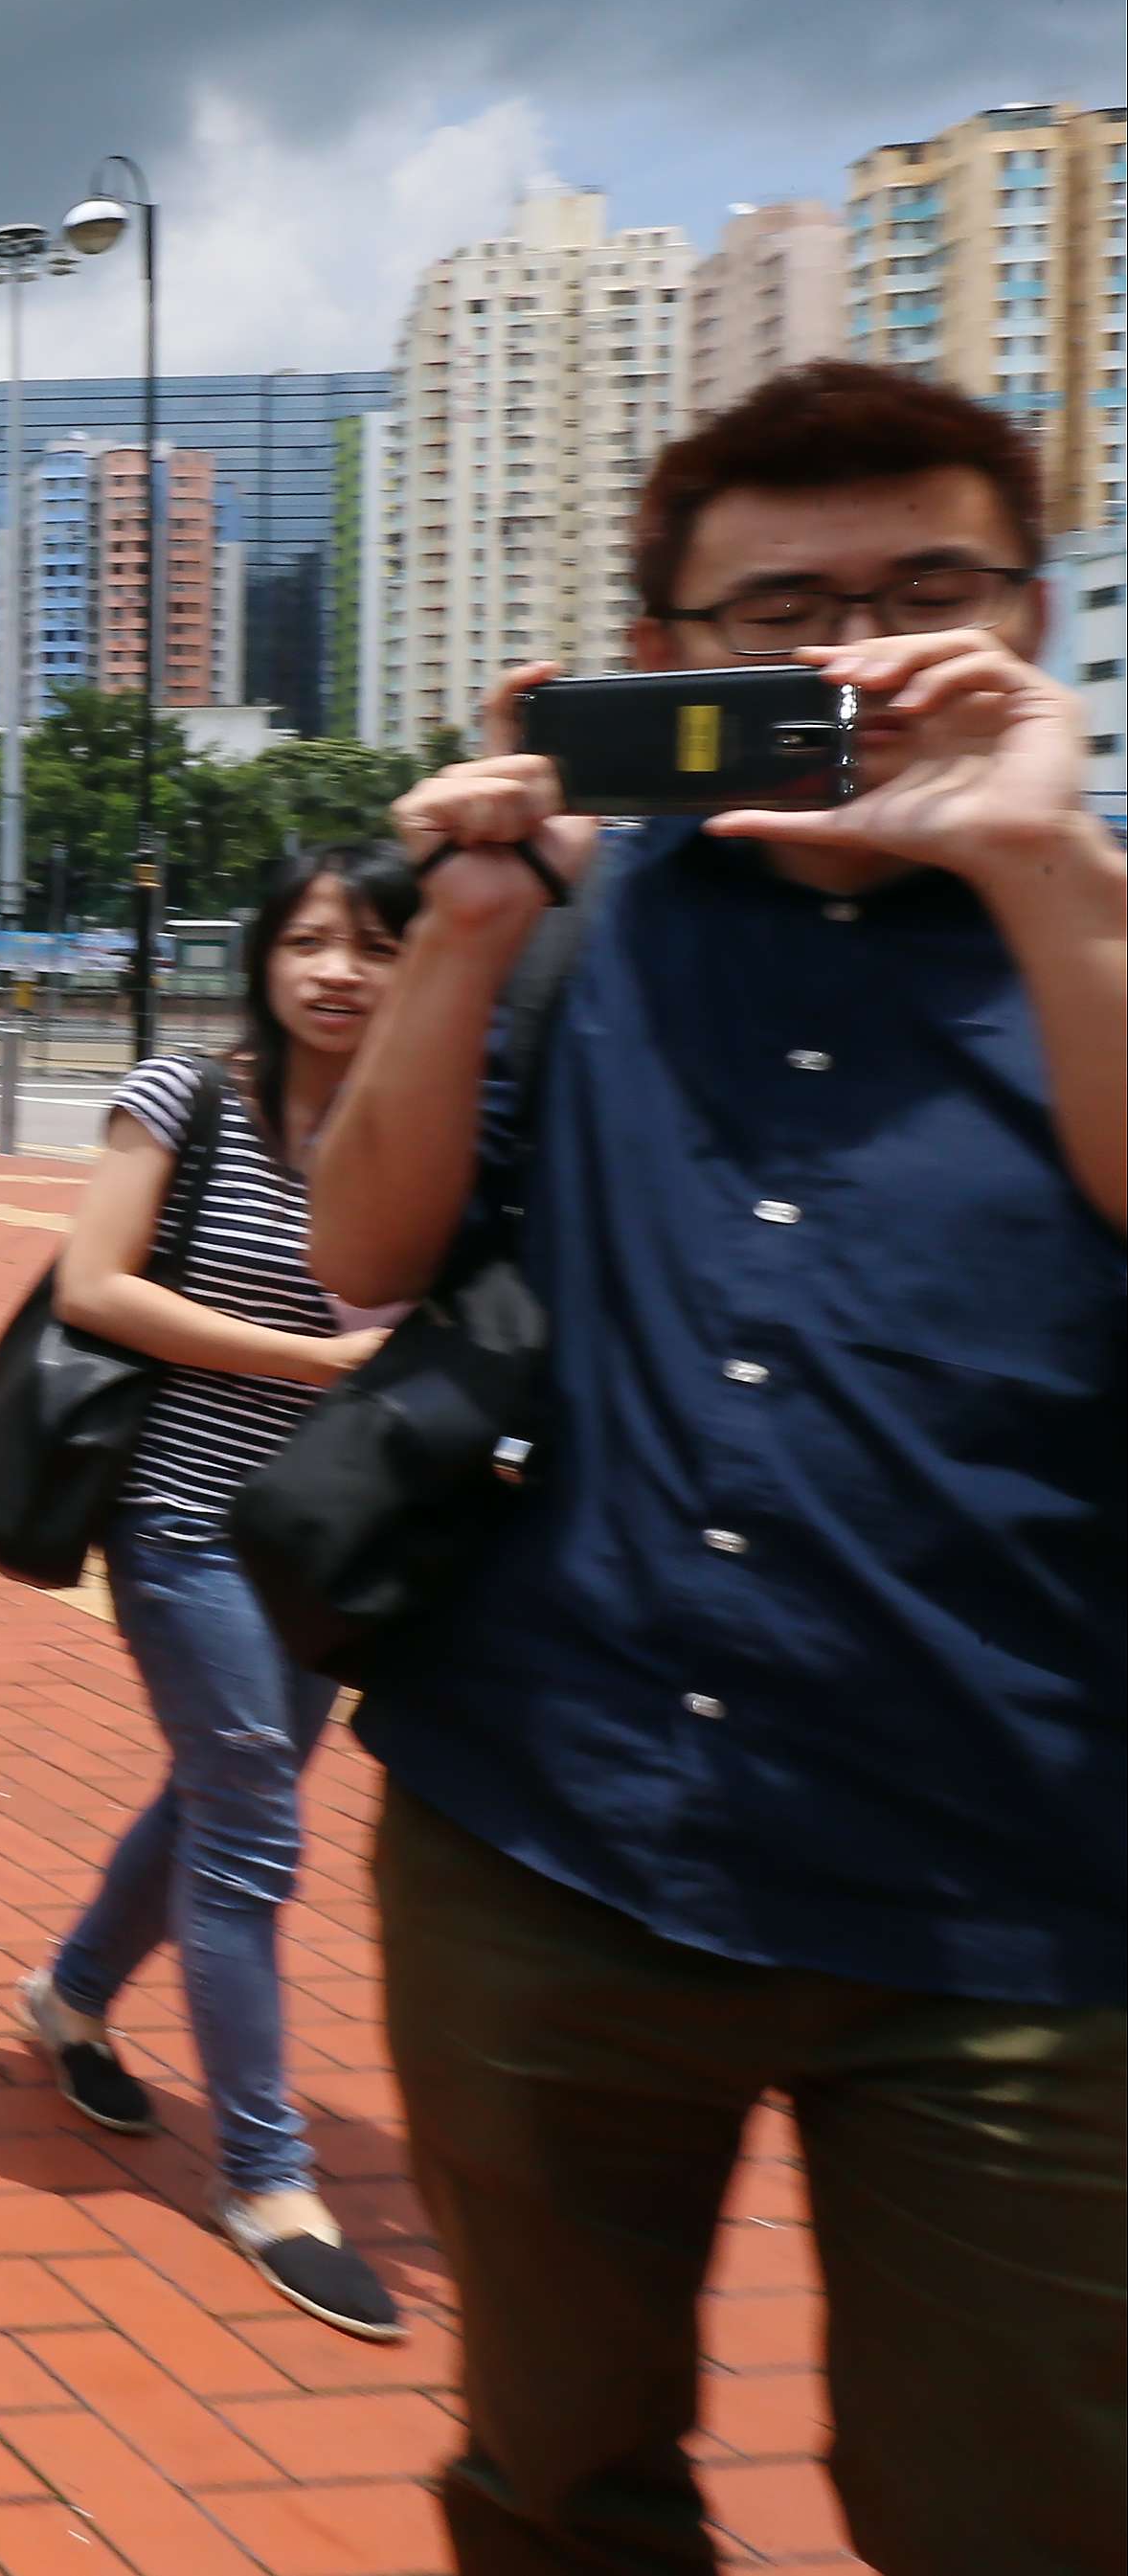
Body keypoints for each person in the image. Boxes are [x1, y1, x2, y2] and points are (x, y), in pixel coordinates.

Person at [308, 360, 1126, 2575]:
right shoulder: (589, 912)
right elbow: (361, 1252)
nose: (848, 658)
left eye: (918, 591)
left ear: (1030, 616)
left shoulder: (1094, 917)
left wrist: (1042, 873)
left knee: (1020, 2515)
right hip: (545, 1839)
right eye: (779, 618)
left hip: (1013, 1909)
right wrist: (460, 933)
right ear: (659, 666)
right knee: (550, 2481)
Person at [15, 842, 417, 2342]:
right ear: (262, 951)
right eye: (311, 938)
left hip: (322, 1538)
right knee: (252, 1814)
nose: (337, 970)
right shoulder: (184, 1094)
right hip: (179, 1518)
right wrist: (316, 1360)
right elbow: (91, 1284)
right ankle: (266, 2177)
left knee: (212, 1794)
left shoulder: (410, 1124)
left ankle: (67, 1994)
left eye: (375, 946)